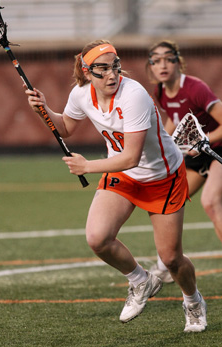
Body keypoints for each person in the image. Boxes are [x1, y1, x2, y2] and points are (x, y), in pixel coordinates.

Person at [25, 39, 207, 332]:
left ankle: (194, 301)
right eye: (102, 69)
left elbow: (132, 156)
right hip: (123, 176)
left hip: (162, 178)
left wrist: (87, 167)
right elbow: (67, 128)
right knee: (97, 238)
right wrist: (43, 109)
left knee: (171, 259)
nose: (112, 75)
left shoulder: (133, 95)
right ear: (86, 72)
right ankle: (140, 280)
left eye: (115, 66)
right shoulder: (81, 93)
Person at [146, 39, 222, 284]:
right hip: (195, 156)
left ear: (178, 61)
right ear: (151, 66)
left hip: (216, 151)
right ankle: (166, 261)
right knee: (168, 202)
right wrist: (163, 144)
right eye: (156, 61)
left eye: (168, 58)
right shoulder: (159, 90)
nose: (163, 65)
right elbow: (174, 118)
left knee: (210, 202)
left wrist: (204, 141)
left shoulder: (195, 88)